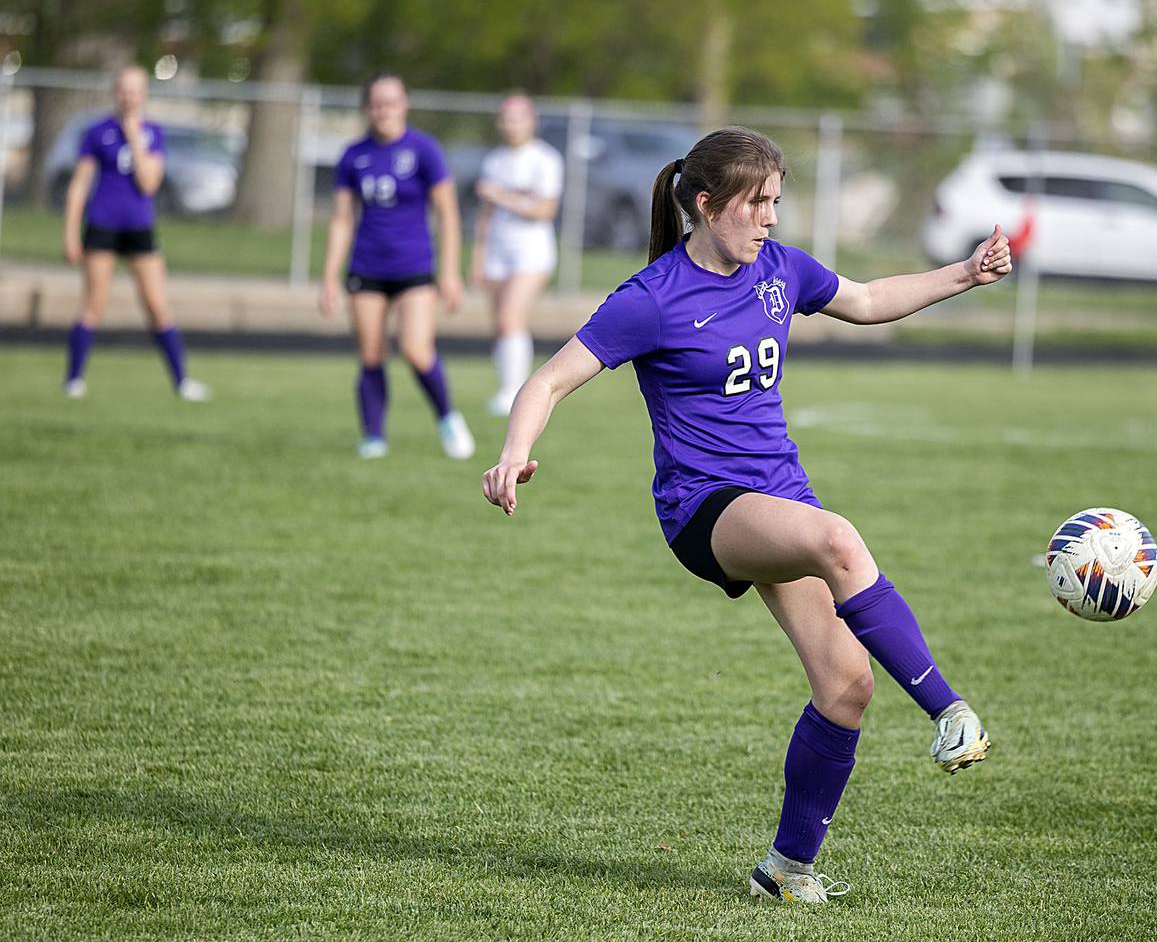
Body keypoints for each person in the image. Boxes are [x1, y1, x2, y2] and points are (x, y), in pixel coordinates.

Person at [482, 127, 1012, 903]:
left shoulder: (779, 270)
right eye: (756, 203)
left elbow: (865, 300)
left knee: (846, 685)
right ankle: (950, 712)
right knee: (838, 538)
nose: (770, 217)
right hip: (704, 511)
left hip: (777, 497)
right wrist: (512, 452)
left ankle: (786, 869)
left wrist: (965, 273)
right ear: (706, 204)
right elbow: (549, 381)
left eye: (775, 202)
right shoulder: (651, 299)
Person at [321, 73, 474, 460]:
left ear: (404, 104)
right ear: (367, 108)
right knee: (371, 353)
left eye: (390, 102)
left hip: (414, 267)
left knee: (415, 349)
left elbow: (448, 215)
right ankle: (373, 436)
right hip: (366, 266)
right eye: (376, 103)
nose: (383, 110)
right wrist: (328, 278)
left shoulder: (424, 150)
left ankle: (447, 417)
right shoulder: (354, 155)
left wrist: (450, 272)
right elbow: (341, 219)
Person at [61, 66, 209, 402]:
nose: (128, 97)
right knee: (93, 305)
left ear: (144, 94)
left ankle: (182, 381)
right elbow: (80, 184)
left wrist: (133, 136)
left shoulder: (153, 132)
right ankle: (73, 380)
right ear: (115, 91)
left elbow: (149, 182)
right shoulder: (97, 132)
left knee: (157, 305)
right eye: (123, 90)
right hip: (102, 225)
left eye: (135, 91)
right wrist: (71, 232)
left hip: (139, 227)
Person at [468, 93, 563, 416]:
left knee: (511, 318)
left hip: (531, 252)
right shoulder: (494, 160)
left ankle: (515, 394)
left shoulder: (544, 159)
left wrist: (502, 196)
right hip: (498, 250)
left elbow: (544, 209)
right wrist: (477, 257)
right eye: (506, 119)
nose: (511, 126)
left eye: (518, 118)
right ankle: (507, 386)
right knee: (500, 324)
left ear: (531, 121)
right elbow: (485, 215)